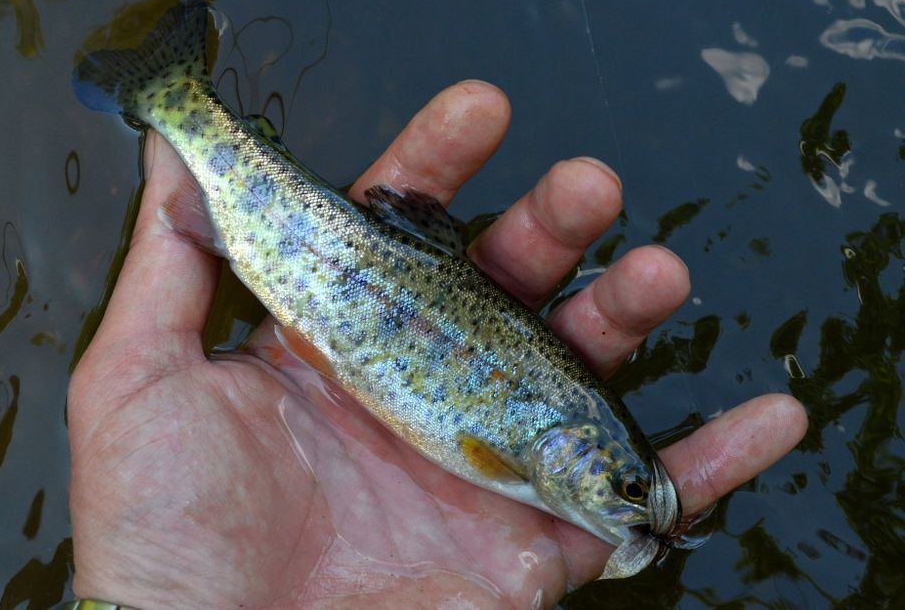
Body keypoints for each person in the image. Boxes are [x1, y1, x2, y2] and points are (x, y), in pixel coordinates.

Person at [65, 82, 807, 608]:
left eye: (633, 494)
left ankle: (176, 99)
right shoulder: (515, 462)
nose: (633, 509)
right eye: (628, 490)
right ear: (577, 449)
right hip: (347, 270)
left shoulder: (561, 466)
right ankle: (174, 98)